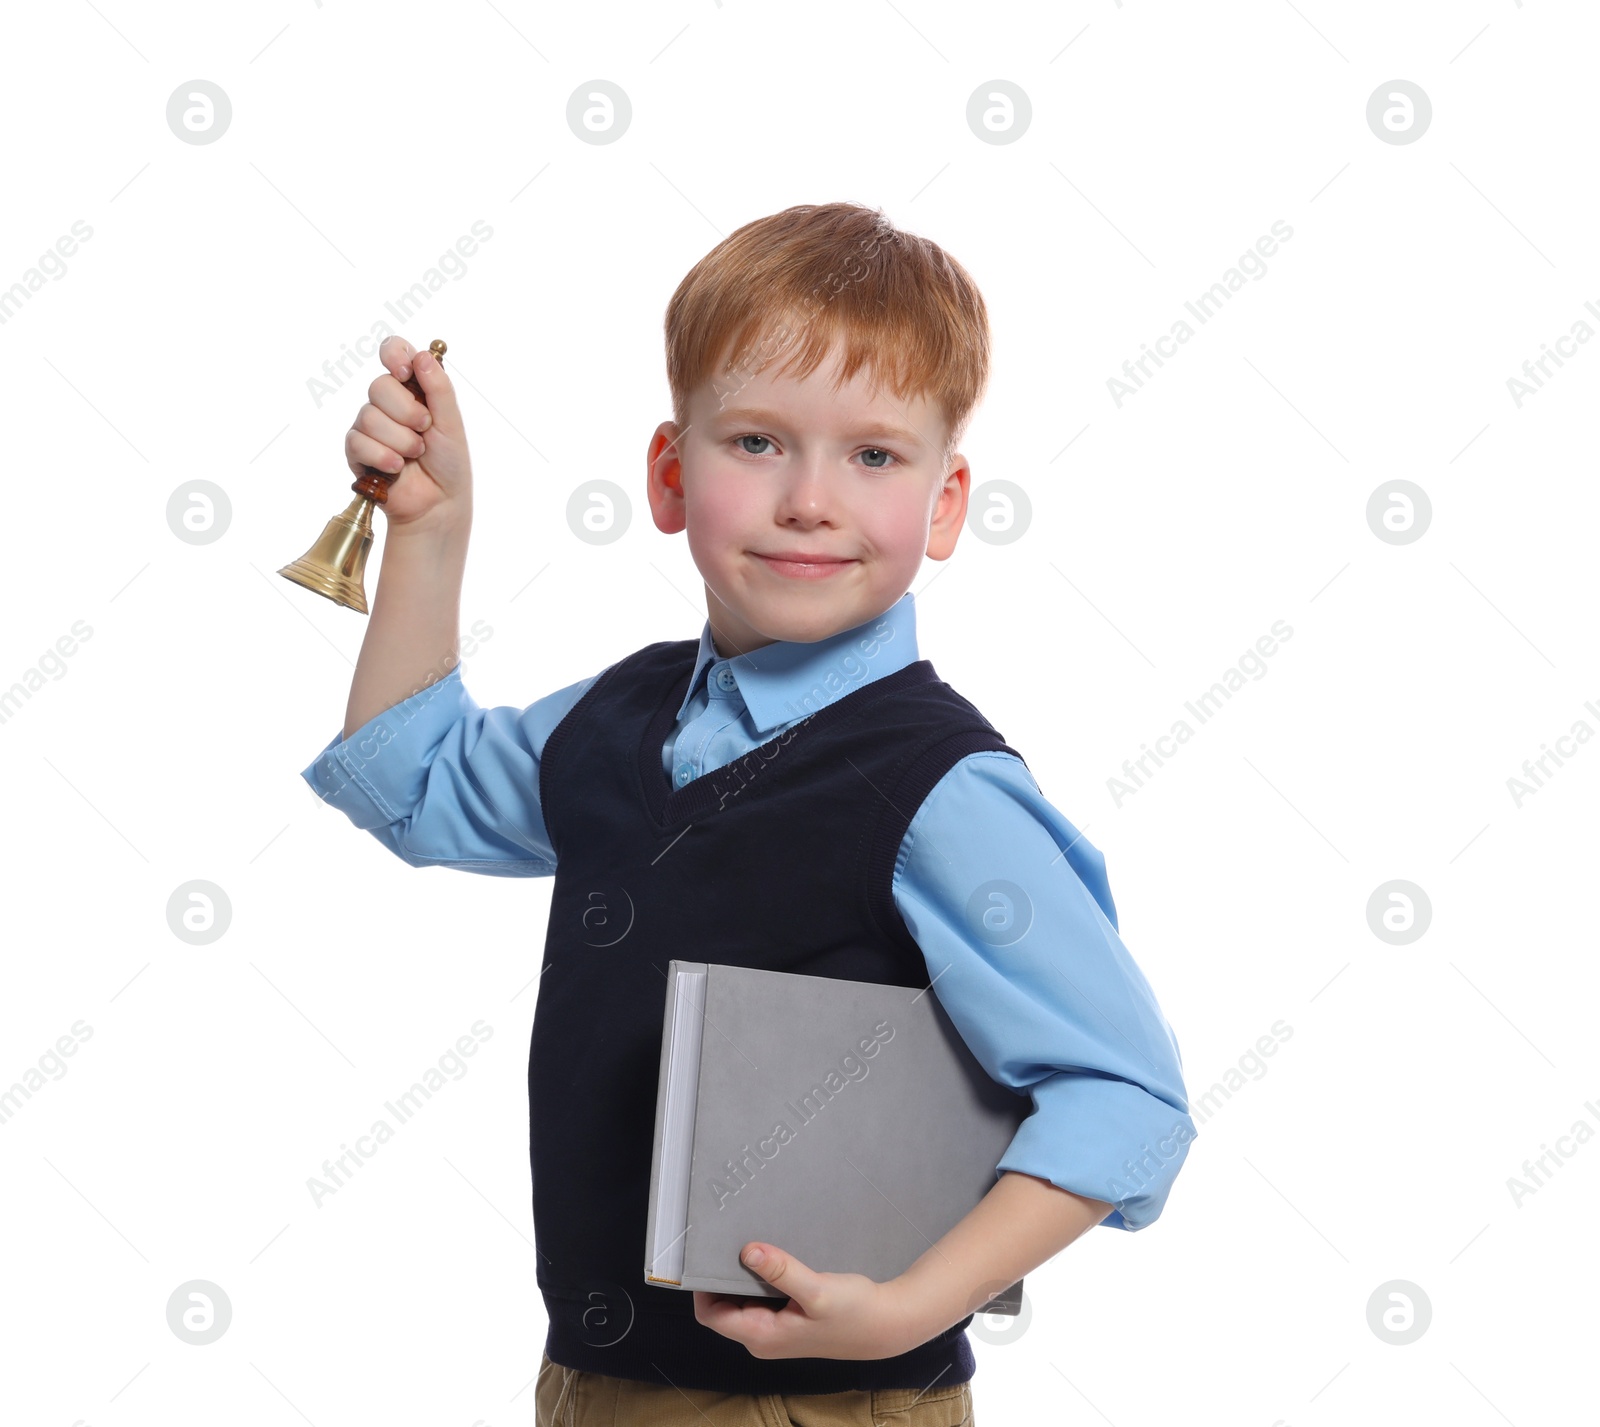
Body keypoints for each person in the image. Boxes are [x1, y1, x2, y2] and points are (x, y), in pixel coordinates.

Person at [301, 201, 1196, 1426]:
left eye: (874, 456)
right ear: (672, 476)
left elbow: (1127, 1097)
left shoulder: (940, 789)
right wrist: (432, 534)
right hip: (593, 1381)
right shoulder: (621, 718)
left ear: (944, 504)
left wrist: (912, 1303)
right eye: (759, 441)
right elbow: (413, 783)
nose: (809, 500)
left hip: (825, 1406)